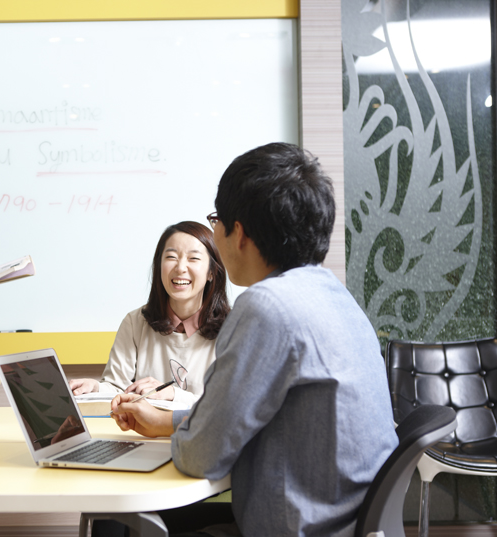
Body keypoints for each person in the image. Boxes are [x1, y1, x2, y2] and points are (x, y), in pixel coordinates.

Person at [108, 143, 399, 537]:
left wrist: (184, 434)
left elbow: (200, 457)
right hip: (347, 522)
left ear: (239, 233)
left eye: (217, 221)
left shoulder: (266, 307)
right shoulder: (333, 295)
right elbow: (246, 420)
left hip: (300, 528)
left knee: (121, 524)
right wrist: (166, 422)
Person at [69, 221, 230, 405]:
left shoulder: (233, 329)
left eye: (193, 258)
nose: (180, 268)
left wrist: (174, 395)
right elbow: (117, 388)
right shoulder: (135, 322)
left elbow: (230, 406)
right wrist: (96, 388)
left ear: (211, 272)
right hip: (142, 425)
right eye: (171, 257)